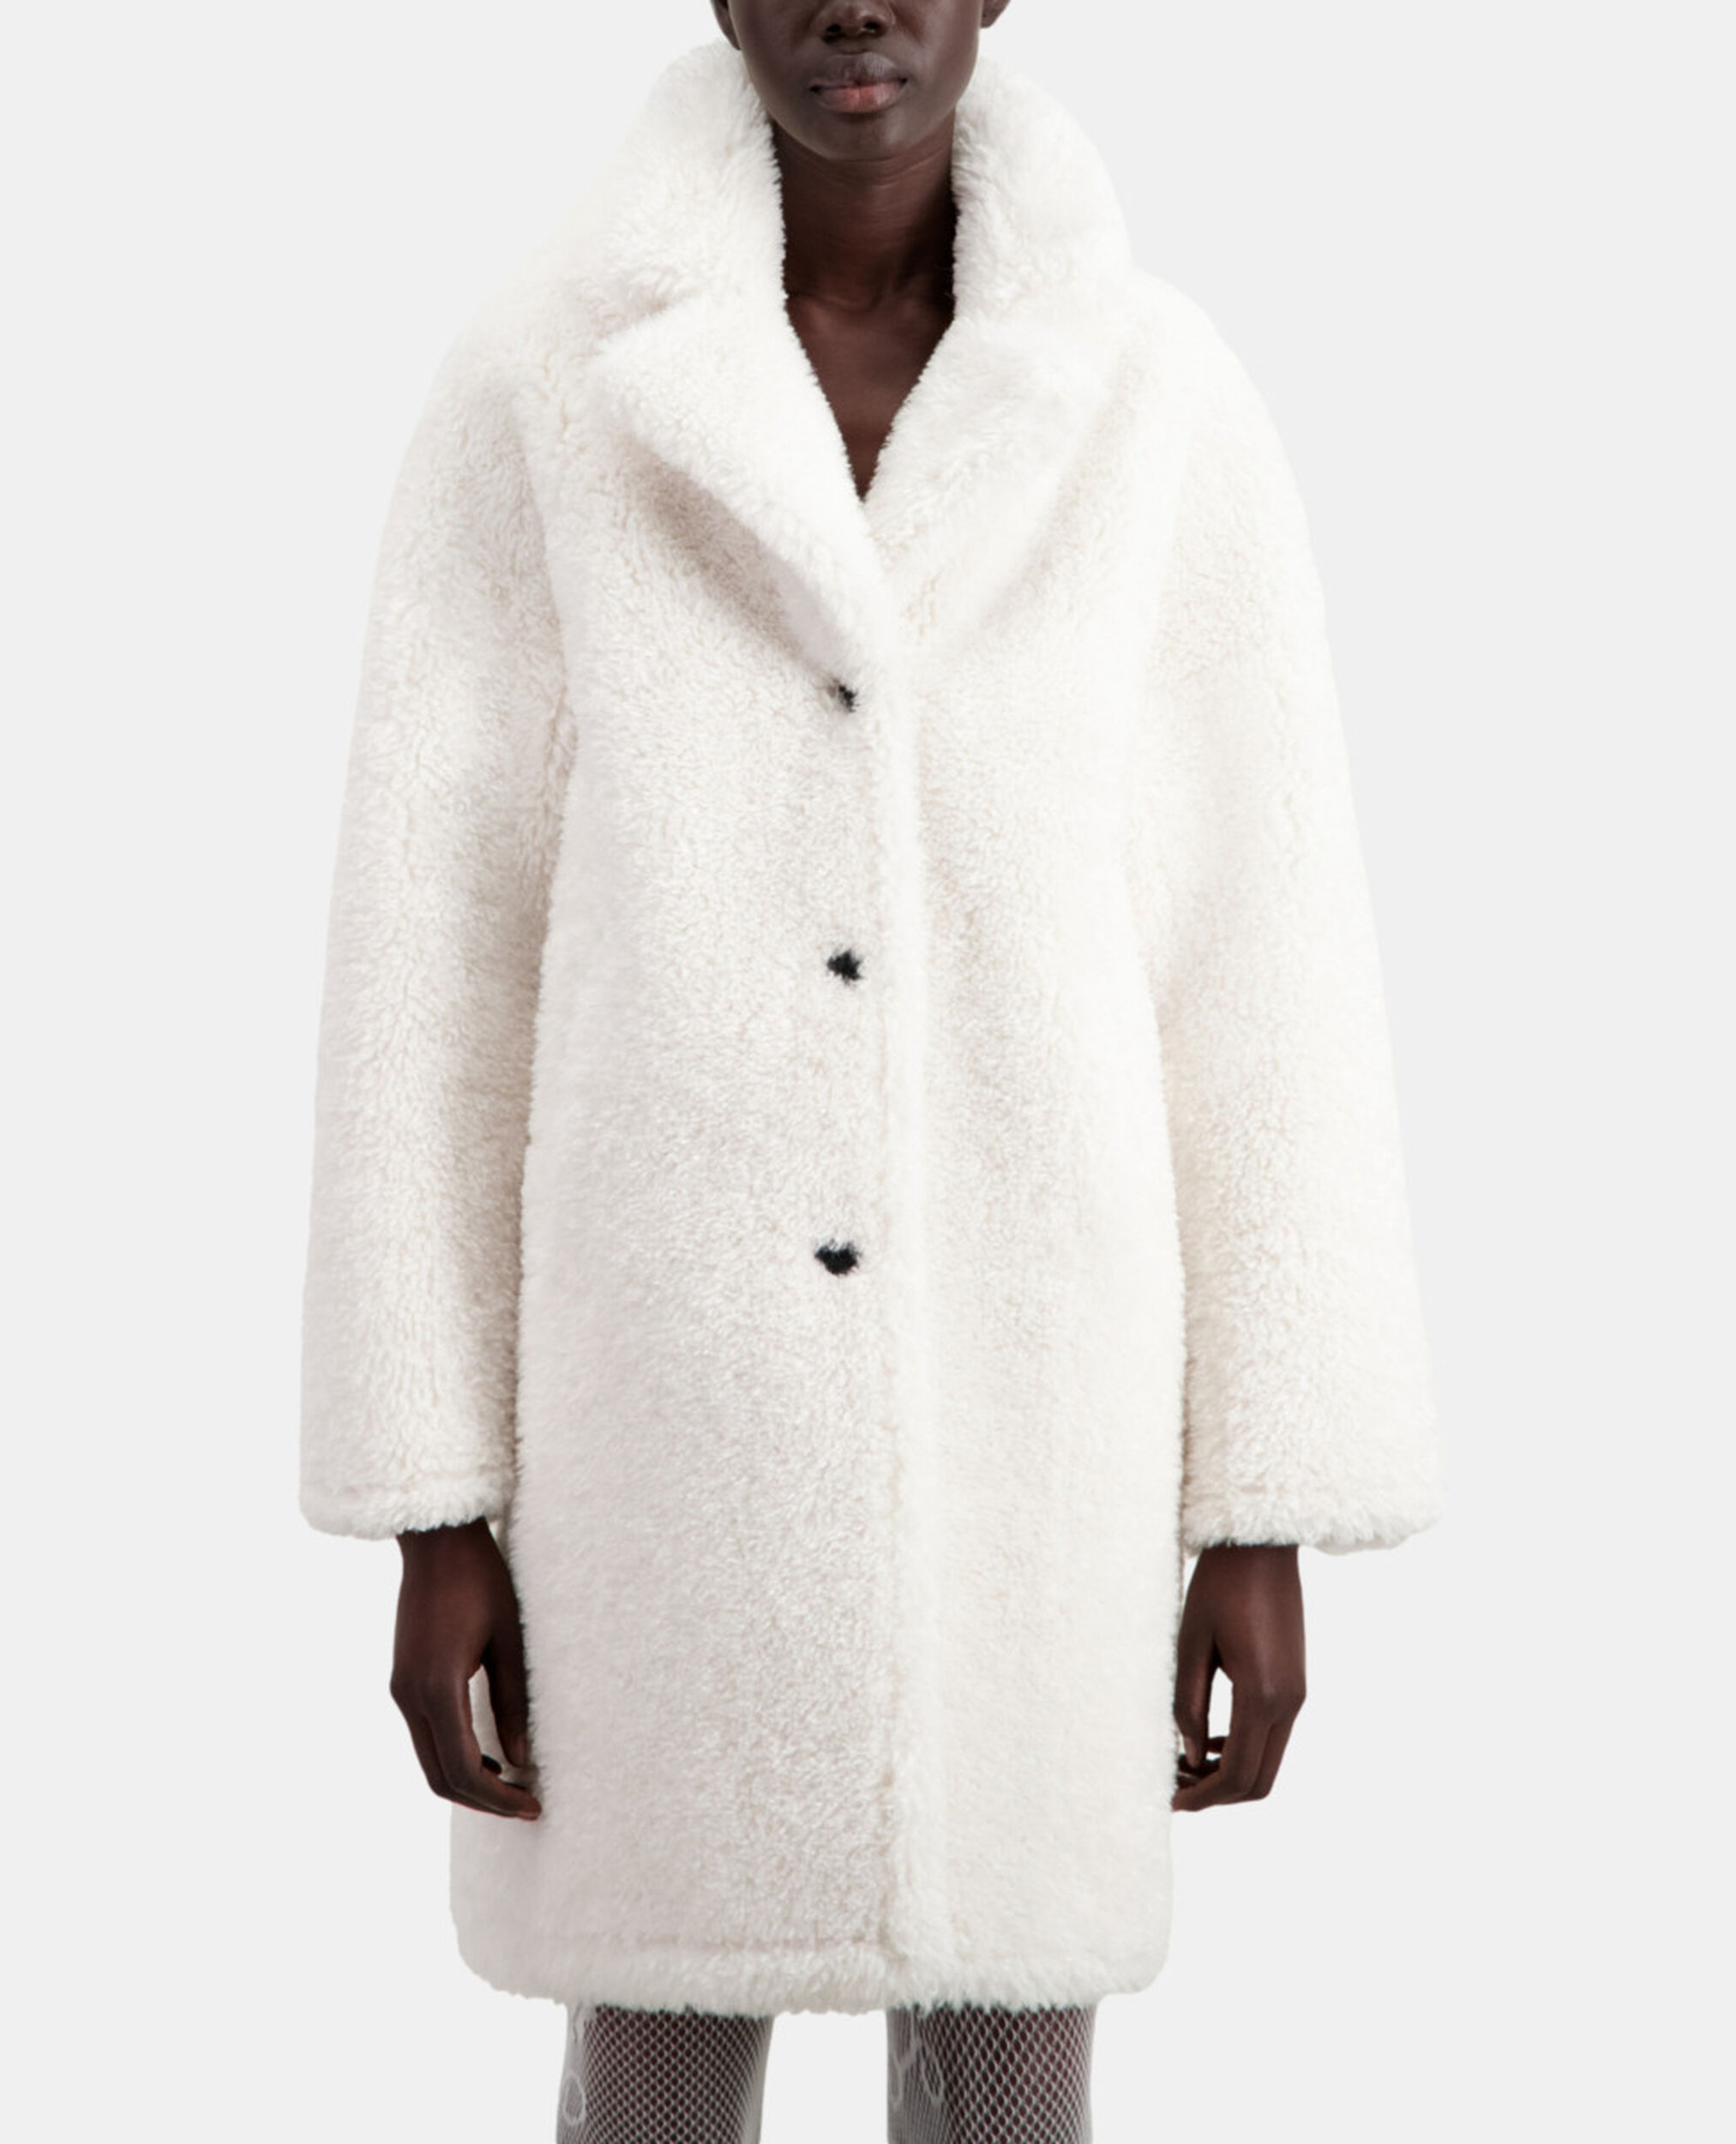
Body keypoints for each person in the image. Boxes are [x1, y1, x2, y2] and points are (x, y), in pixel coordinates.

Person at [299, 4, 1446, 2137]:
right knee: (650, 2071)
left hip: (1045, 1422)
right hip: (651, 1434)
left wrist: (1261, 1504)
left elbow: (1261, 959)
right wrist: (431, 1504)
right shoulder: (541, 391)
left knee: (1004, 2077)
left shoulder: (1149, 401)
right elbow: (427, 970)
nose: (857, 4)